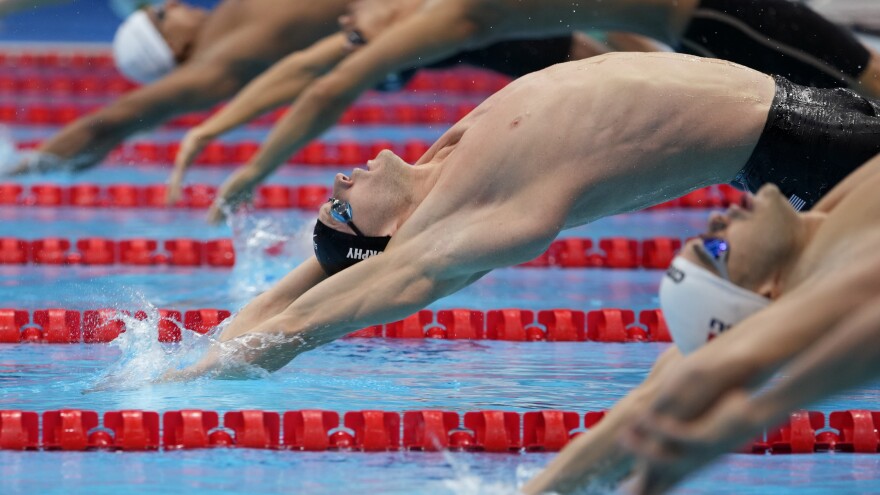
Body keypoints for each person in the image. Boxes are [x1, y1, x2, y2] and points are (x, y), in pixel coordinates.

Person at [156, 53, 880, 386]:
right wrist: (218, 368)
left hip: (800, 107)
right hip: (805, 148)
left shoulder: (445, 159)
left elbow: (313, 274)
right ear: (390, 233)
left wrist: (213, 336)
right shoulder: (478, 219)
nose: (340, 179)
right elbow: (357, 292)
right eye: (343, 207)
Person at [190, 0, 880, 223]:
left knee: (865, 94)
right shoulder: (431, 16)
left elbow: (323, 84)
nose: (346, 18)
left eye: (356, 24)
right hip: (692, 30)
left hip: (723, 18)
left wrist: (243, 167)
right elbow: (316, 72)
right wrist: (215, 130)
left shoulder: (447, 16)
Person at [522, 153, 880, 495]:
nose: (714, 222)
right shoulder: (845, 268)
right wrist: (760, 413)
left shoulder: (823, 227)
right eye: (716, 251)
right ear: (768, 292)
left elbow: (658, 386)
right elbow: (701, 375)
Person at [4, 0, 352, 174]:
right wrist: (21, 168)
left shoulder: (222, 30)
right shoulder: (214, 64)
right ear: (172, 47)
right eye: (161, 15)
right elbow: (111, 121)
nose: (170, 4)